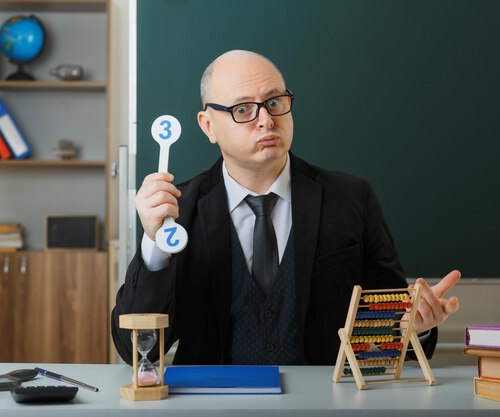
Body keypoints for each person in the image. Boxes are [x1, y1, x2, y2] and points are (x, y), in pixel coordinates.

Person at [112, 50, 460, 365]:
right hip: (212, 404)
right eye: (243, 109)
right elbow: (135, 351)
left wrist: (418, 327)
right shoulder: (178, 211)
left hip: (326, 405)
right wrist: (155, 246)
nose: (266, 120)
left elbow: (391, 331)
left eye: (275, 102)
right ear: (208, 126)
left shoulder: (352, 198)